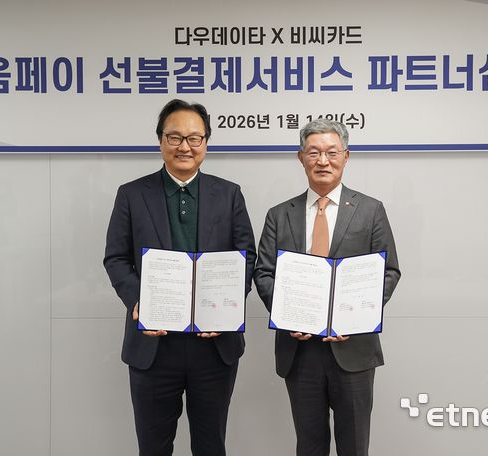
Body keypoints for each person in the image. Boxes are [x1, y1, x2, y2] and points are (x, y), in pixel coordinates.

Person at [103, 99, 256, 456]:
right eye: (174, 137)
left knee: (210, 446)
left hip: (213, 345)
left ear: (206, 143)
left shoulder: (229, 194)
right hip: (154, 346)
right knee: (153, 448)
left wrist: (227, 307)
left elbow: (246, 256)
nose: (184, 146)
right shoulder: (132, 194)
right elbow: (116, 258)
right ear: (160, 141)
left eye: (194, 138)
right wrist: (138, 300)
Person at [254, 119, 401, 456]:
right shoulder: (279, 215)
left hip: (354, 349)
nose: (323, 161)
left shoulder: (370, 210)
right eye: (314, 153)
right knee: (309, 446)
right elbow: (264, 273)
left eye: (332, 153)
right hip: (300, 351)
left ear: (345, 156)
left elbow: (388, 272)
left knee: (354, 446)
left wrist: (356, 317)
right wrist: (289, 316)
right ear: (301, 157)